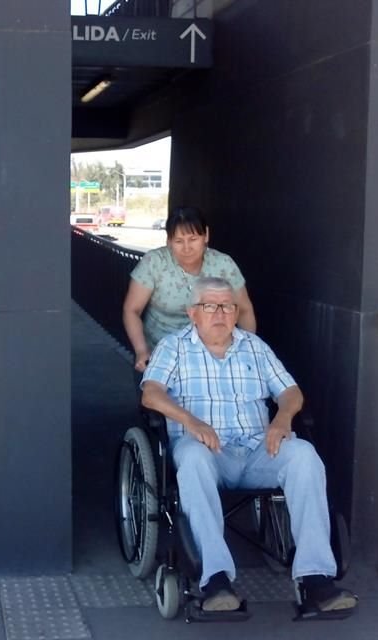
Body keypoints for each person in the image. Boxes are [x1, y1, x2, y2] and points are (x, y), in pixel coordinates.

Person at [140, 277, 357, 614]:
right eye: (210, 306)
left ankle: (316, 579)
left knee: (304, 456)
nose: (220, 314)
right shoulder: (174, 347)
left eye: (228, 306)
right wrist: (190, 421)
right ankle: (215, 581)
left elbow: (290, 392)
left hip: (259, 450)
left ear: (237, 311)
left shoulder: (254, 347)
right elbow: (151, 393)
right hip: (207, 450)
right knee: (192, 458)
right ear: (192, 312)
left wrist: (283, 418)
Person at [123, 206, 256, 374]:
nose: (187, 248)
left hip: (214, 356)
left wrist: (248, 349)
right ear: (169, 241)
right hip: (161, 355)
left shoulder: (224, 265)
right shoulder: (154, 262)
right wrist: (142, 351)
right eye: (178, 241)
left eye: (193, 239)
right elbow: (131, 310)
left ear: (206, 235)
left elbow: (244, 310)